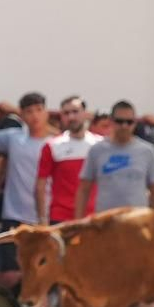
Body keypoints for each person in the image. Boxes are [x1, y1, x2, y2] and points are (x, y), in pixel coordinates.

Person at [0, 92, 50, 289]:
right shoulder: (13, 138)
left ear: (46, 112)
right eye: (29, 111)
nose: (35, 116)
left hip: (44, 218)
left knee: (40, 275)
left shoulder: (56, 143)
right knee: (9, 275)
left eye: (39, 110)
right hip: (15, 215)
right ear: (21, 115)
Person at [77, 101, 154, 215]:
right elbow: (84, 190)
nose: (124, 126)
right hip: (106, 224)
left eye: (129, 122)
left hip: (137, 223)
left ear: (135, 123)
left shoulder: (148, 151)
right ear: (111, 122)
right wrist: (78, 223)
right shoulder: (96, 150)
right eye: (120, 121)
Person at [37, 95, 102, 225]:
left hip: (94, 217)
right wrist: (42, 219)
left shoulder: (100, 145)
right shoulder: (52, 146)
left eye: (75, 112)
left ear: (85, 114)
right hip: (61, 217)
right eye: (66, 113)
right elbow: (41, 185)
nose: (71, 117)